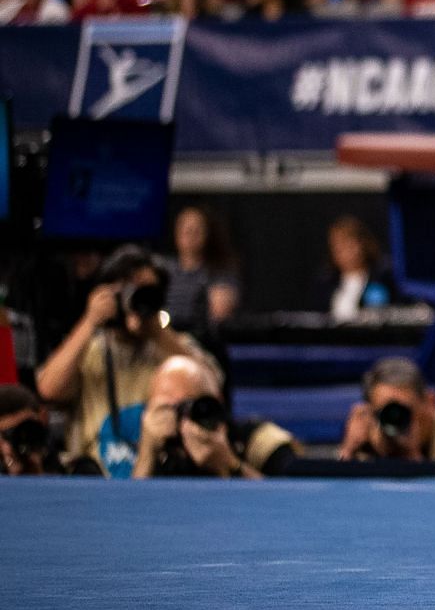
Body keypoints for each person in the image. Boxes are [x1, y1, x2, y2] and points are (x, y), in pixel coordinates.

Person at [34, 248, 219, 478]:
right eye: (131, 290)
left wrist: (156, 329)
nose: (138, 297)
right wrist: (90, 321)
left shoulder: (174, 347)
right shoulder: (88, 349)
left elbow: (211, 391)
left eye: (148, 291)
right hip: (95, 480)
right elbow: (48, 390)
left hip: (163, 478)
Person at [134, 355, 298, 479]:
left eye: (195, 406)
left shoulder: (256, 440)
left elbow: (291, 507)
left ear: (218, 400)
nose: (184, 422)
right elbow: (130, 514)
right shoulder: (154, 450)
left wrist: (229, 465)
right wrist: (147, 452)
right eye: (168, 409)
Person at [339, 357, 435, 464]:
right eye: (385, 411)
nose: (395, 419)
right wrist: (349, 451)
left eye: (404, 410)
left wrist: (412, 457)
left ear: (430, 402)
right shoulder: (364, 435)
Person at [166, 205, 241, 334]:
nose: (190, 237)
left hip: (201, 339)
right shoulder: (163, 269)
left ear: (207, 234)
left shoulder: (220, 271)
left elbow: (220, 314)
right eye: (186, 230)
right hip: (165, 338)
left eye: (196, 230)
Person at [0, 384, 101, 476]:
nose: (21, 440)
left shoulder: (79, 470)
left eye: (29, 430)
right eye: (8, 434)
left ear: (43, 417)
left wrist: (39, 473)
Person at [317, 216, 401, 319]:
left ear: (364, 244)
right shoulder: (327, 282)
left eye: (350, 244)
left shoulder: (384, 277)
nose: (345, 251)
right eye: (339, 246)